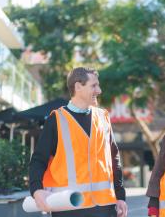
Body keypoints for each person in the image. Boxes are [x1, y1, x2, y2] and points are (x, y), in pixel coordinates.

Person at [29, 67, 128, 217]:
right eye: (94, 86)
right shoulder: (56, 119)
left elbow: (114, 159)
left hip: (104, 206)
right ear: (77, 87)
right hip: (68, 206)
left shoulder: (103, 117)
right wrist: (36, 190)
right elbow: (38, 160)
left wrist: (120, 197)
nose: (99, 90)